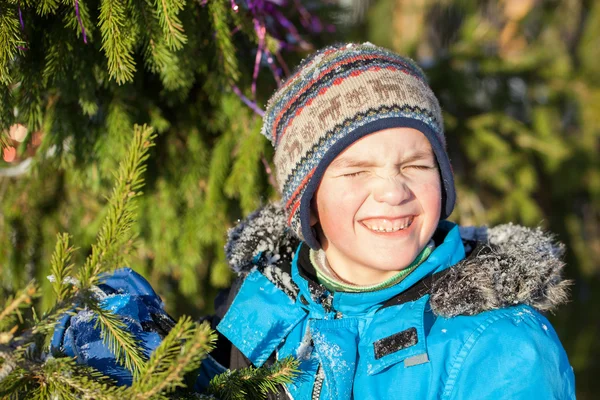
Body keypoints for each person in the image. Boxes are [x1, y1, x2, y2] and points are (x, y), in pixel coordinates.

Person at [53, 43, 576, 399]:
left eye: (416, 165)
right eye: (356, 170)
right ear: (308, 201)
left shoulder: (501, 347)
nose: (393, 192)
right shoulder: (266, 298)